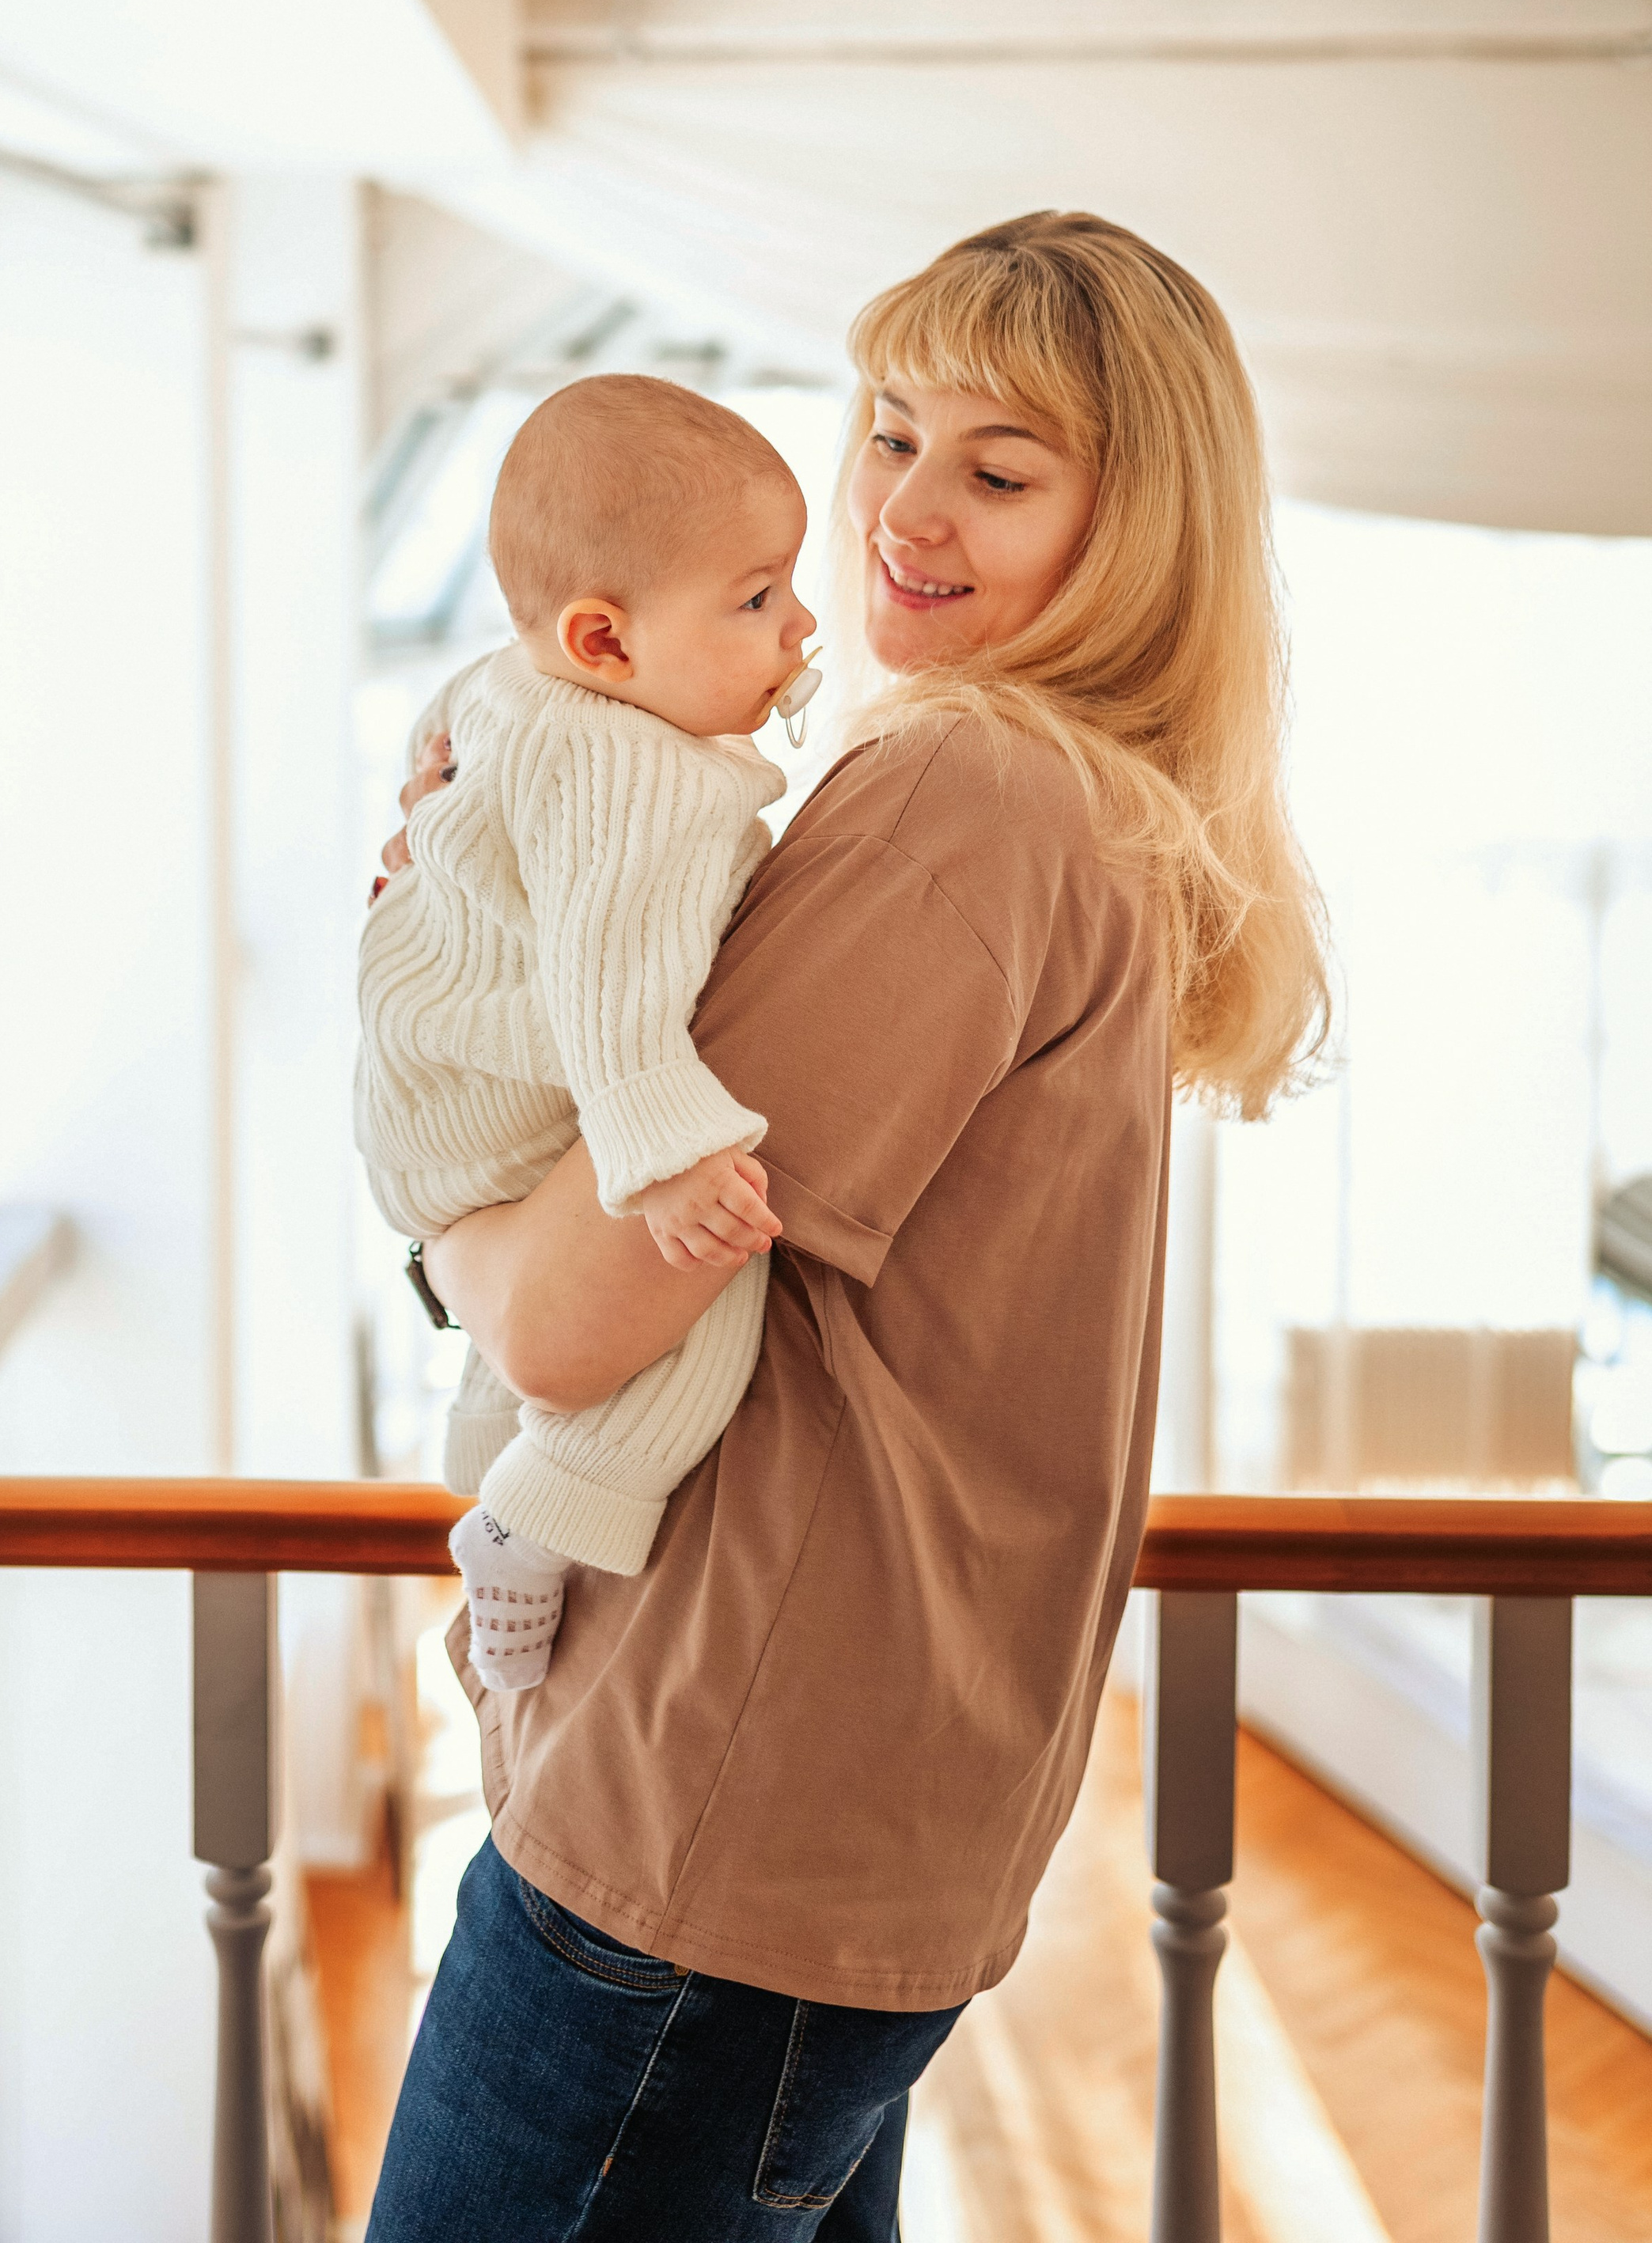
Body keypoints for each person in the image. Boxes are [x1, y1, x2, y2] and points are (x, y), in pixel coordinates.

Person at [366, 213, 1330, 2242]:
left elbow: (564, 1321)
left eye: (997, 470)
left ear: (1134, 531)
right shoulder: (1080, 804)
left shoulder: (964, 798)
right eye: (890, 432)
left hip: (710, 1812)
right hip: (838, 1817)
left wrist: (438, 1188)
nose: (900, 511)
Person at [357, 374, 819, 1689]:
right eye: (757, 600)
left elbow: (437, 735)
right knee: (714, 1283)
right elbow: (617, 996)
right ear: (605, 642)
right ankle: (534, 1513)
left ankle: (485, 1454)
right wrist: (671, 1164)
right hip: (510, 1101)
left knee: (572, 1310)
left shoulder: (517, 682)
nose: (799, 625)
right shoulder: (637, 771)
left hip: (434, 1098)